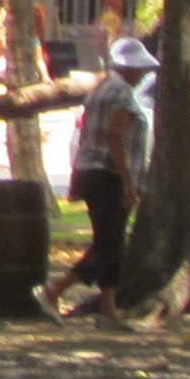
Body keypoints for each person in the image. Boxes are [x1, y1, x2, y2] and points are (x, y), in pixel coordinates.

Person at [61, 33, 157, 313]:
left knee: (111, 240)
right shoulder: (120, 92)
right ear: (128, 68)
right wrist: (127, 182)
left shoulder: (100, 89)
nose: (142, 75)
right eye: (139, 69)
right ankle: (54, 290)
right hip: (108, 177)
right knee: (109, 244)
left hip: (92, 172)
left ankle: (108, 306)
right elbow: (115, 136)